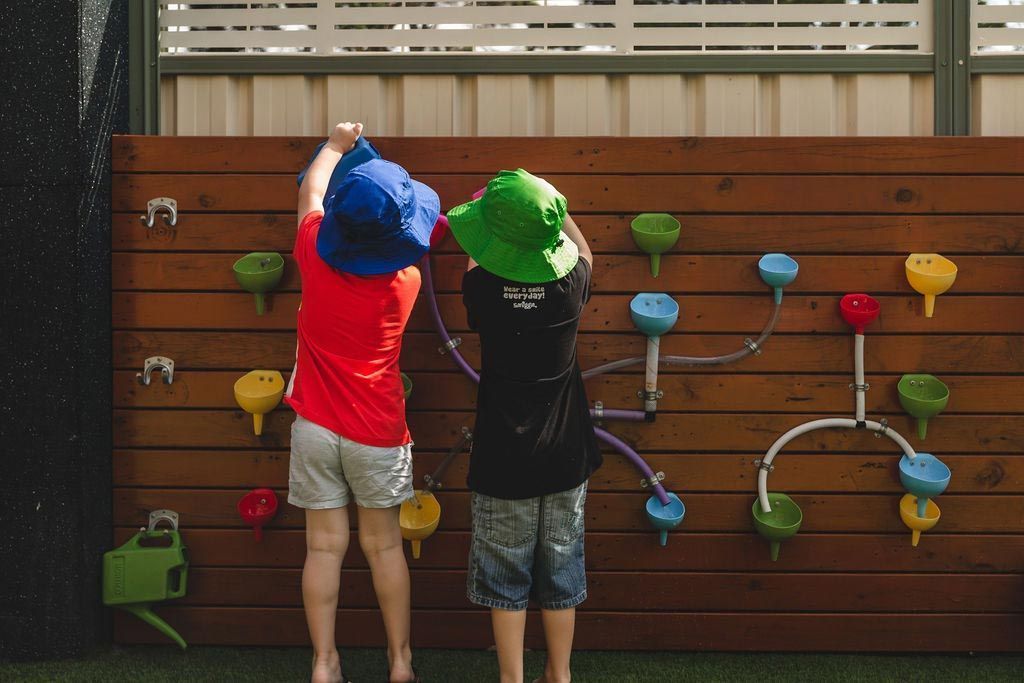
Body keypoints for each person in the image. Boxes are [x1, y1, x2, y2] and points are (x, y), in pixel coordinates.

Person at [288, 122, 437, 683]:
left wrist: (335, 144)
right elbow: (419, 233)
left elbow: (311, 193)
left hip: (315, 428)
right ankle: (400, 663)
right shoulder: (405, 281)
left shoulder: (311, 251)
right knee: (384, 548)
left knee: (324, 549)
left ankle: (324, 663)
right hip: (377, 432)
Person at [446, 169, 602, 683]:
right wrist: (558, 213)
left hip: (502, 459)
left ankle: (511, 679)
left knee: (506, 575)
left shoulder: (483, 288)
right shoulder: (569, 286)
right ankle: (560, 675)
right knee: (560, 572)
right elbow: (586, 255)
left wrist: (486, 217)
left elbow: (477, 255)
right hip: (565, 456)